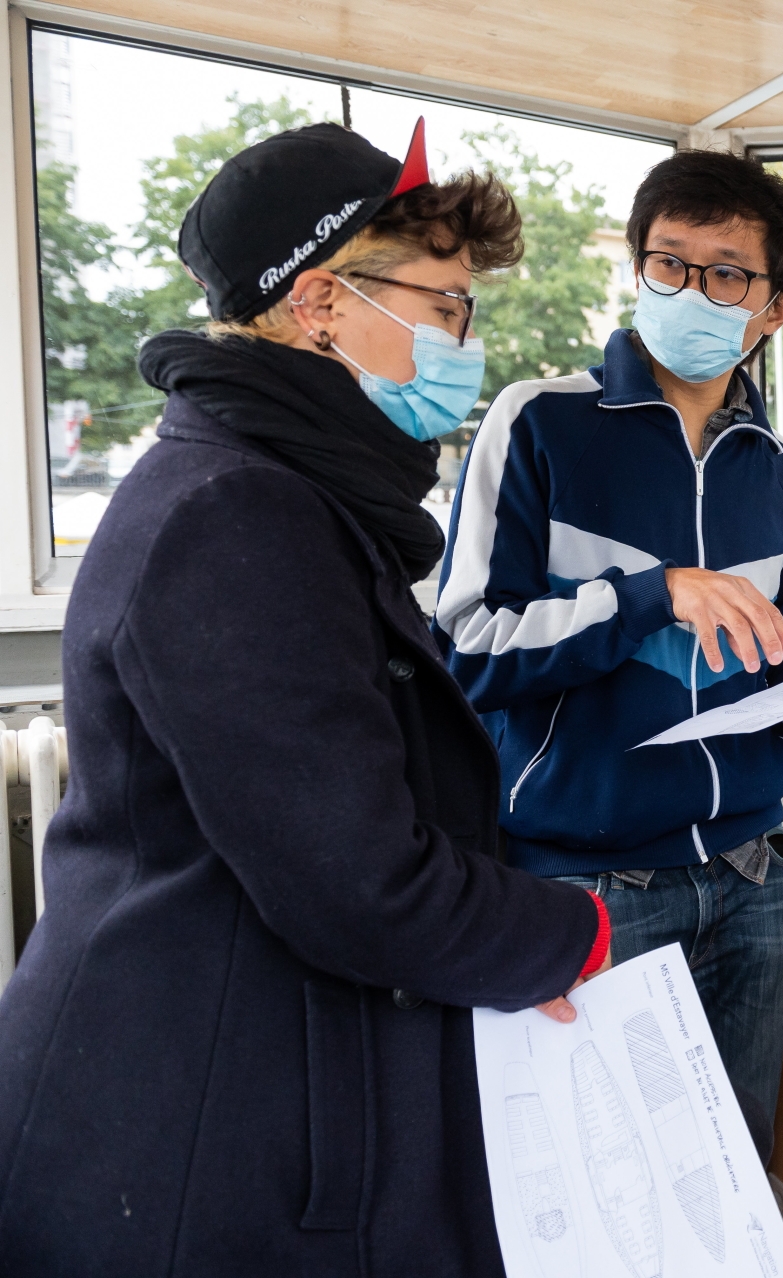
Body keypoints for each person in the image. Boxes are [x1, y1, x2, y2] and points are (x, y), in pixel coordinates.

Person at [0, 122, 612, 1275]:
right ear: (324, 303)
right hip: (184, 1136)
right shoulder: (237, 516)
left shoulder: (285, 491)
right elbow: (359, 881)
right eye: (445, 308)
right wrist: (571, 931)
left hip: (250, 1084)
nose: (463, 343)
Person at [433, 149, 783, 1163]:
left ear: (773, 310)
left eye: (725, 272)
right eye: (668, 263)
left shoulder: (782, 479)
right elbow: (467, 648)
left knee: (733, 1179)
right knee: (601, 1202)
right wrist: (652, 596)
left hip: (749, 876)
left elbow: (781, 654)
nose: (689, 289)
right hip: (587, 888)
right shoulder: (539, 425)